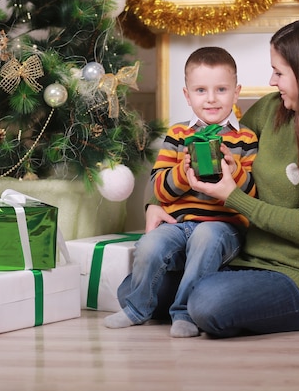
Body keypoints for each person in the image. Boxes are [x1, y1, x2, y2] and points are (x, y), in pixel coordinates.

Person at [117, 18, 299, 338]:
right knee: (131, 291)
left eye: (279, 72)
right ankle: (200, 298)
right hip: (245, 259)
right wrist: (154, 202)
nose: (271, 80)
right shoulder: (272, 109)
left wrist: (232, 196)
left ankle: (205, 300)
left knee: (206, 302)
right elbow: (219, 147)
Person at [103, 46, 259, 338]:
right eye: (201, 90)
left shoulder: (246, 139)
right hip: (181, 224)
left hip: (223, 227)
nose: (211, 98)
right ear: (187, 95)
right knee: (150, 244)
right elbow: (159, 189)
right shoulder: (178, 135)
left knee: (206, 236)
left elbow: (253, 193)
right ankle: (137, 308)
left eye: (221, 89)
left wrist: (234, 169)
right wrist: (183, 173)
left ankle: (185, 312)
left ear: (236, 93)